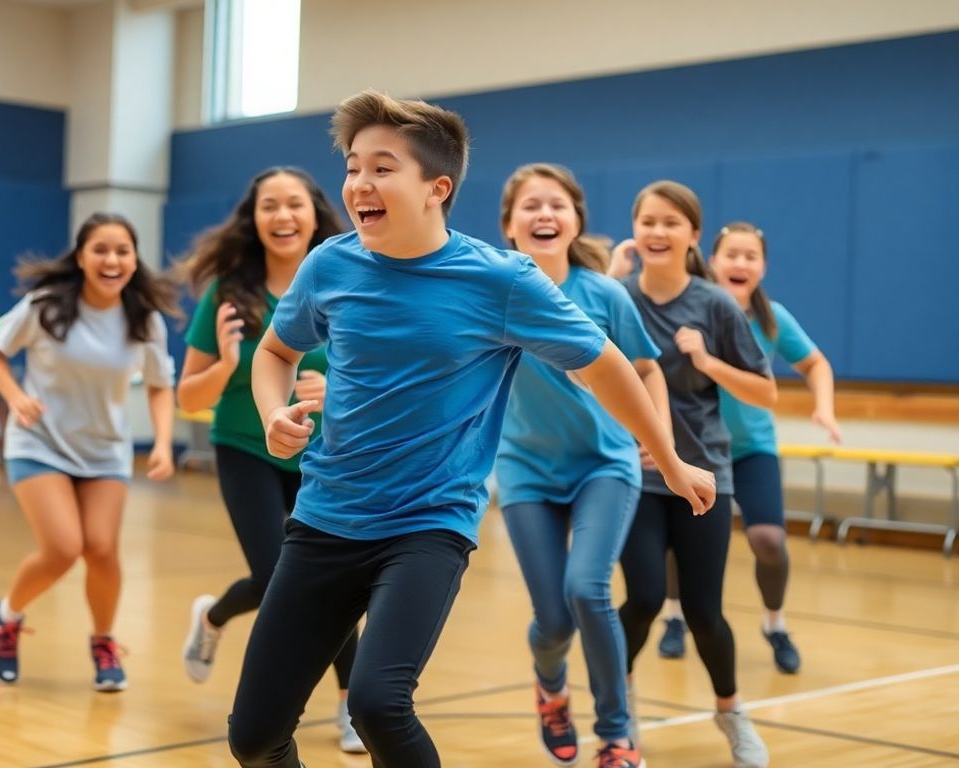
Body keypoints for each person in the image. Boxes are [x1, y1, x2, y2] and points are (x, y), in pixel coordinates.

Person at [225, 89, 715, 768]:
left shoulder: (499, 280)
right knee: (253, 736)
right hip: (325, 519)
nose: (359, 183)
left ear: (437, 187)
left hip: (427, 525)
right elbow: (276, 353)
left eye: (382, 167)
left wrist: (672, 456)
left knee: (377, 702)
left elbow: (606, 367)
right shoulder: (331, 264)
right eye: (353, 166)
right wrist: (273, 411)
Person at [174, 167, 365, 753]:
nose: (282, 216)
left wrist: (337, 394)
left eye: (294, 204)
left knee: (327, 580)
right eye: (268, 206)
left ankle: (347, 705)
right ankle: (217, 621)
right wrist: (227, 367)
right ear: (253, 219)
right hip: (246, 447)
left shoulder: (350, 278)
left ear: (315, 213)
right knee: (281, 574)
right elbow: (187, 397)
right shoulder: (230, 293)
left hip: (327, 455)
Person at [496, 163, 667, 768]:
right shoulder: (494, 295)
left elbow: (646, 369)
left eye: (557, 205)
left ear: (575, 221)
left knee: (587, 590)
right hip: (525, 474)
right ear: (509, 226)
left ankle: (618, 737)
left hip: (605, 464)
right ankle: (551, 685)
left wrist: (660, 442)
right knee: (552, 621)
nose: (545, 214)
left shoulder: (606, 295)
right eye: (531, 206)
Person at [616, 181, 774, 768]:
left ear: (692, 236)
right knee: (645, 598)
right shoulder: (618, 297)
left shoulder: (715, 304)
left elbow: (766, 392)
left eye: (671, 223)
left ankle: (732, 713)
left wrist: (707, 361)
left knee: (706, 611)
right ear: (636, 230)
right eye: (648, 221)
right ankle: (620, 708)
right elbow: (592, 381)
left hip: (705, 475)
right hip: (636, 479)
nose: (658, 232)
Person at [0, 212, 179, 692]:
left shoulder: (144, 320)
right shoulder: (46, 304)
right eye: (100, 250)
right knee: (63, 548)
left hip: (105, 451)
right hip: (40, 442)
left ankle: (104, 641)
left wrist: (160, 442)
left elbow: (159, 386)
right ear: (81, 256)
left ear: (134, 260)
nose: (111, 260)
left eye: (122, 251)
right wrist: (15, 398)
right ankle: (6, 618)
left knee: (102, 550)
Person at [652, 221, 840, 674]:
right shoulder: (691, 309)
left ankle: (775, 624)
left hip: (751, 448)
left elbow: (815, 363)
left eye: (750, 256)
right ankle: (674, 618)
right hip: (693, 447)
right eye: (731, 254)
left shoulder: (771, 318)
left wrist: (825, 408)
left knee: (768, 540)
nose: (740, 263)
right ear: (713, 261)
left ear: (763, 266)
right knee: (677, 545)